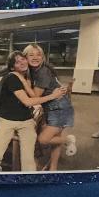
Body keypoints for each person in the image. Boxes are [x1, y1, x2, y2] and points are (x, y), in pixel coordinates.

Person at [0, 53, 67, 172]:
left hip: (26, 121)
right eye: (17, 62)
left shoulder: (26, 77)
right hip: (6, 121)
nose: (22, 62)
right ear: (12, 67)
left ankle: (28, 181)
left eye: (23, 59)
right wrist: (53, 96)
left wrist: (25, 82)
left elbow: (33, 96)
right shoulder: (11, 78)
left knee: (28, 161)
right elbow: (27, 101)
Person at [23, 43, 76, 172]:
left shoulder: (43, 72)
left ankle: (68, 140)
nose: (35, 57)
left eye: (38, 54)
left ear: (42, 57)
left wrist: (22, 82)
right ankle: (53, 168)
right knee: (55, 139)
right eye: (31, 55)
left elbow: (35, 96)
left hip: (59, 108)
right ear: (25, 57)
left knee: (43, 140)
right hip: (55, 106)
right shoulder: (35, 71)